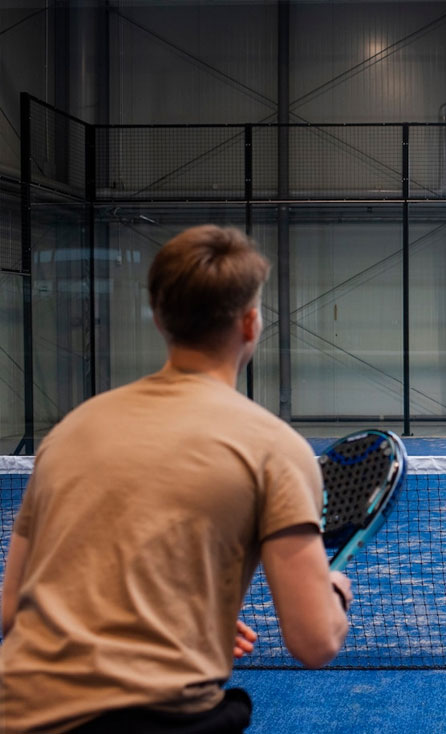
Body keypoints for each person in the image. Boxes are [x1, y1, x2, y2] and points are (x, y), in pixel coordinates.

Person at [0, 225, 352, 734]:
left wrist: (175, 615)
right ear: (250, 323)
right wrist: (335, 592)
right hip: (157, 719)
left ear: (160, 318)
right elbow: (314, 641)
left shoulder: (69, 432)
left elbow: (13, 610)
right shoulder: (275, 449)